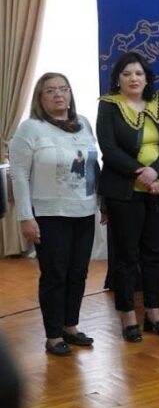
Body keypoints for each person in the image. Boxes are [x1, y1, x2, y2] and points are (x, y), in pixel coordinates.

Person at [10, 73, 100, 355]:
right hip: (49, 214)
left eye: (63, 89)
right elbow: (20, 175)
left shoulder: (83, 123)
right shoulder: (30, 129)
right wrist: (26, 216)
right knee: (54, 275)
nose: (58, 95)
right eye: (50, 91)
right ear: (40, 97)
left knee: (78, 273)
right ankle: (52, 336)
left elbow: (92, 166)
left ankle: (70, 327)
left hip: (84, 211)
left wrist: (103, 203)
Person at [97, 52, 159, 342]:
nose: (133, 78)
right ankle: (128, 315)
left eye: (138, 74)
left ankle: (154, 313)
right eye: (127, 74)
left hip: (158, 189)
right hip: (124, 192)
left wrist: (156, 173)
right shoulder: (109, 107)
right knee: (126, 256)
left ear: (147, 78)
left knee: (155, 254)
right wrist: (139, 171)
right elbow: (108, 147)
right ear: (118, 79)